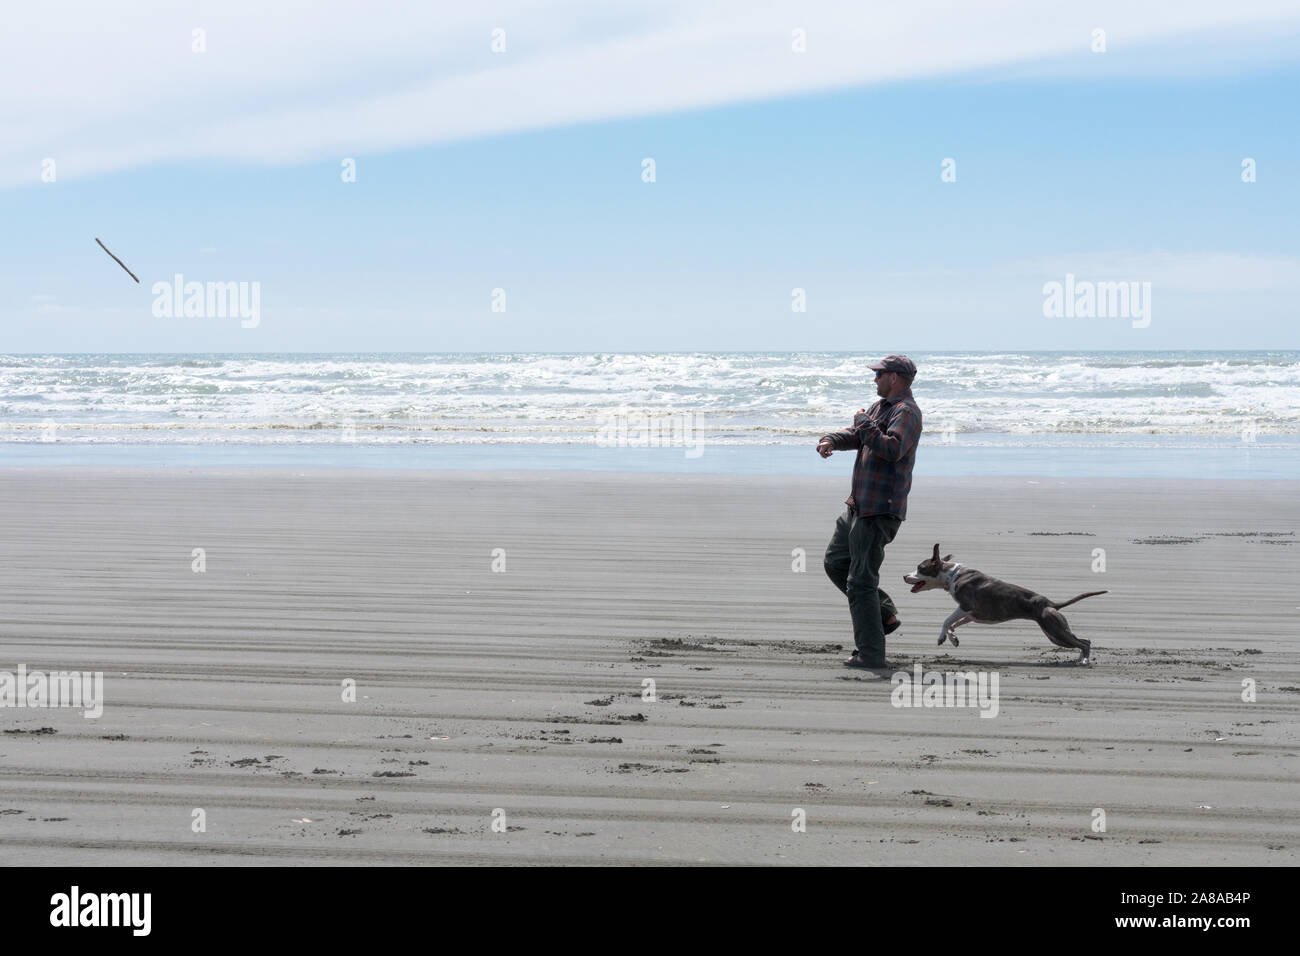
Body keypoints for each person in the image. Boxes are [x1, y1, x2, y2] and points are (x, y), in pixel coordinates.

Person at [816, 355, 922, 670]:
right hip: (857, 504)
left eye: (879, 374)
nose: (874, 379)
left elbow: (891, 448)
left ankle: (871, 654)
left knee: (860, 581)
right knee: (836, 563)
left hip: (880, 509)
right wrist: (831, 440)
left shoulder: (907, 413)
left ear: (895, 377)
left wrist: (864, 422)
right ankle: (884, 613)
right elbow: (860, 435)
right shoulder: (878, 408)